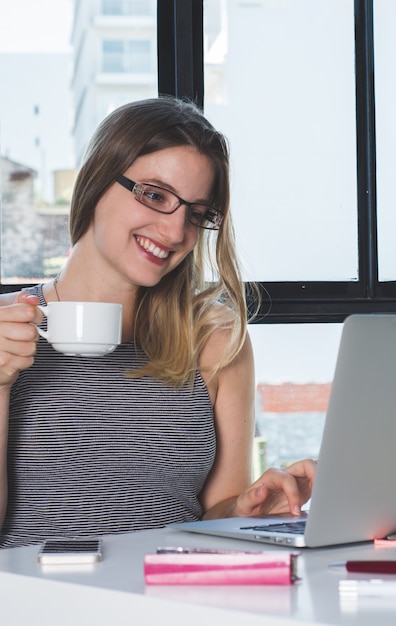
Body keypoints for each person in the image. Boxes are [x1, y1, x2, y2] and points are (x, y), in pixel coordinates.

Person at [0, 97, 316, 548]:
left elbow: (217, 513)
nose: (174, 233)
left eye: (196, 213)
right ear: (95, 182)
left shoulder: (216, 341)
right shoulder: (4, 328)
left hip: (171, 605)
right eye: (154, 194)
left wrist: (247, 508)